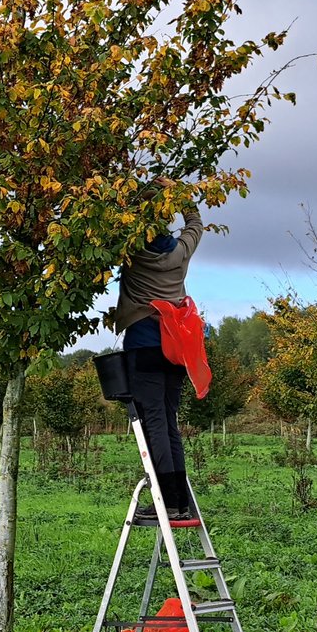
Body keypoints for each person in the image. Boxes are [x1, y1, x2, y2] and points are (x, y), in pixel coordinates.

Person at [112, 203, 203, 521]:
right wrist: (184, 202)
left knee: (154, 423)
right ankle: (179, 501)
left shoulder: (132, 250)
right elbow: (196, 227)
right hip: (175, 348)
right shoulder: (180, 253)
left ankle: (167, 502)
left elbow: (108, 228)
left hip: (144, 346)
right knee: (168, 421)